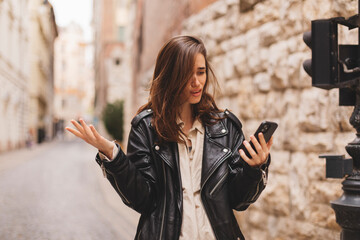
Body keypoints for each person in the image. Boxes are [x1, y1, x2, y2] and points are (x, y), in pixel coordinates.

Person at [66, 35, 273, 240]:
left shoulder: (226, 127)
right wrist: (112, 154)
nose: (196, 82)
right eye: (186, 74)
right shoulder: (146, 128)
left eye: (201, 73)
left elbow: (239, 201)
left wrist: (254, 168)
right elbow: (142, 200)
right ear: (170, 76)